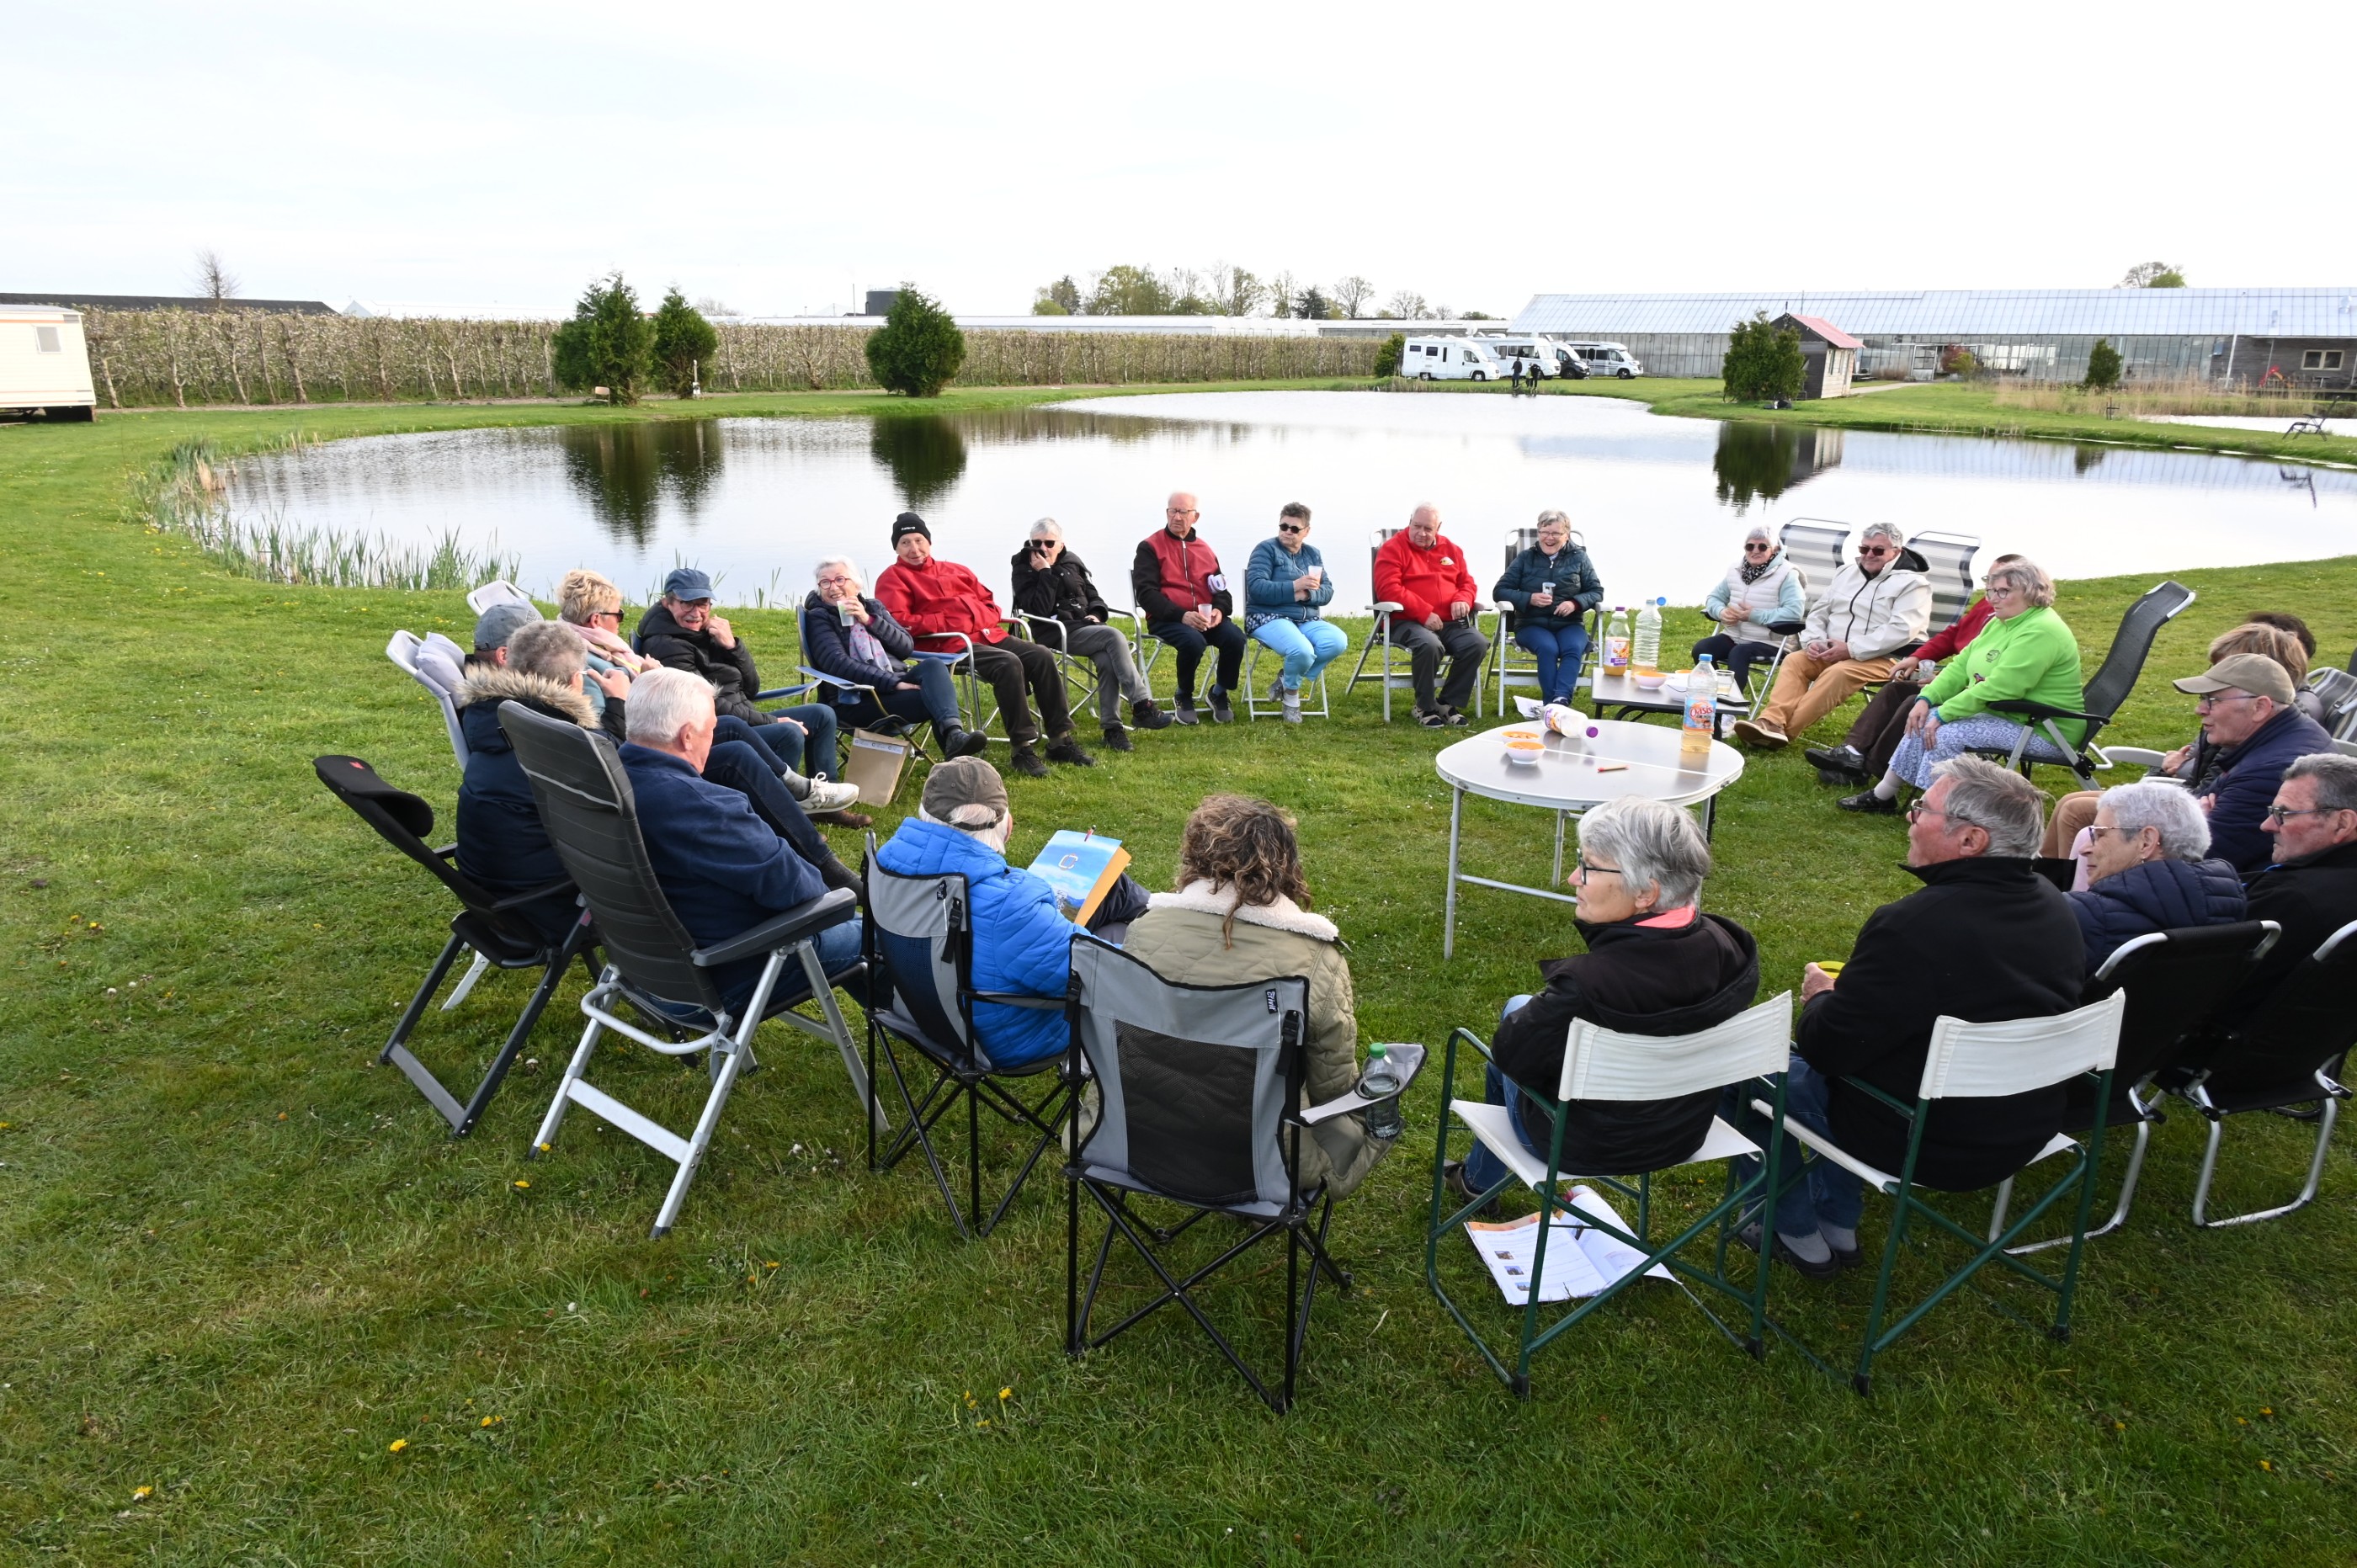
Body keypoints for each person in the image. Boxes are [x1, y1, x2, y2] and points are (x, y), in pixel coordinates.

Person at [1728, 757, 2083, 1278]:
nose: (1910, 817)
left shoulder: (1915, 926)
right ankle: (1837, 1222)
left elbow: (1827, 1047)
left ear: (1972, 841)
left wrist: (1824, 996)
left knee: (1739, 1070)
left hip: (1925, 1140)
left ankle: (1793, 1230)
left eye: (1923, 809)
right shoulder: (2054, 906)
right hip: (2023, 1124)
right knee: (1859, 1063)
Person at [1440, 795, 1760, 1213]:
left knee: (1513, 1022)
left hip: (1586, 1143)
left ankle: (1479, 1182)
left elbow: (1512, 1058)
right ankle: (1478, 1179)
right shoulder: (1731, 946)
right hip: (1684, 1128)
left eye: (1589, 866)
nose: (1574, 877)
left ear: (1646, 892)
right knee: (1524, 1012)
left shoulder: (1587, 987)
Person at [457, 633, 859, 949]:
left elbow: (609, 765)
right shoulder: (558, 737)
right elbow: (614, 769)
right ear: (577, 680)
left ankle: (819, 850)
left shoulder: (502, 723)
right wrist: (618, 704)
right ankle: (823, 863)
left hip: (507, 888)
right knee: (713, 778)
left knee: (733, 751)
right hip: (563, 895)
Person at [1120, 795, 1393, 1198]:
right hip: (1266, 1159)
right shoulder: (1315, 957)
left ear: (1195, 857)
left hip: (1137, 1134)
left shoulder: (1144, 931)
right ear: (1284, 866)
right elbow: (1332, 1087)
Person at [616, 669, 866, 1019]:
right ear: (688, 736)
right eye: (711, 729)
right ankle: (926, 1029)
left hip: (643, 974)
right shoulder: (705, 808)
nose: (713, 738)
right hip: (722, 975)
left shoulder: (603, 785)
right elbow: (805, 892)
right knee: (875, 933)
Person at [873, 757, 1138, 1067]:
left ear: (924, 815)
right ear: (1007, 825)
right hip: (1009, 1039)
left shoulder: (886, 864)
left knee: (1113, 907)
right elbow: (1106, 977)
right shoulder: (1011, 905)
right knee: (1121, 931)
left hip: (921, 1015)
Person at [2040, 625, 2318, 864]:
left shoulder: (2267, 772)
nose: (2200, 710)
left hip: (2208, 901)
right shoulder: (2263, 737)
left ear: (2260, 706)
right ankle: (2051, 887)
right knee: (2076, 807)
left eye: (2212, 699)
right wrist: (2196, 812)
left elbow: (2196, 856)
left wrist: (2194, 818)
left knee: (2088, 822)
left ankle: (2066, 901)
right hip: (2190, 822)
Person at [1839, 558, 2083, 814]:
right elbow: (1960, 666)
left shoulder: (2040, 631)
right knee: (1924, 716)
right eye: (1991, 590)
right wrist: (1927, 698)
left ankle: (1933, 809)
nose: (1993, 599)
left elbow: (2002, 688)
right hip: (2009, 715)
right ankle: (1884, 795)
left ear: (2032, 593)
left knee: (1944, 733)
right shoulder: (2000, 622)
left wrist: (1945, 713)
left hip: (2043, 728)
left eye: (2004, 592)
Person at [634, 567, 867, 826]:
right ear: (668, 602)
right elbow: (706, 704)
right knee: (787, 733)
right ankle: (781, 819)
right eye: (686, 603)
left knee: (821, 714)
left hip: (742, 716)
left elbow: (751, 689)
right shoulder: (666, 644)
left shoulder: (706, 632)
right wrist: (771, 722)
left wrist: (733, 646)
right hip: (714, 729)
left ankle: (824, 803)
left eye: (702, 604)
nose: (695, 612)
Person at [873, 512, 1093, 779]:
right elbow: (897, 623)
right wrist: (945, 621)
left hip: (989, 635)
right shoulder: (893, 578)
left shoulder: (956, 569)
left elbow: (990, 603)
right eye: (905, 542)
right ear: (896, 547)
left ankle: (1060, 740)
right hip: (949, 646)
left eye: (919, 540)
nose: (914, 549)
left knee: (1041, 655)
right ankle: (1022, 748)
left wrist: (978, 618)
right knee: (1008, 663)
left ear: (929, 542)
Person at [1807, 553, 2025, 786]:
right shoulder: (1989, 606)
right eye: (1989, 581)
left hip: (1978, 691)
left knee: (1913, 700)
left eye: (1999, 585)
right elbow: (1954, 635)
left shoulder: (2019, 622)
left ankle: (1869, 769)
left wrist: (1942, 679)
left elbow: (1998, 675)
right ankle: (1852, 751)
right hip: (1960, 679)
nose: (1991, 590)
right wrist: (1918, 656)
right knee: (1895, 691)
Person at [1730, 522, 1930, 749]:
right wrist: (1814, 641)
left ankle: (1781, 732)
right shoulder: (1846, 573)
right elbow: (1819, 612)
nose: (1869, 555)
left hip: (1888, 658)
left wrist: (1851, 648)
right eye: (1864, 549)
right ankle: (1770, 721)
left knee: (1839, 672)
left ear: (1896, 552)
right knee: (1796, 660)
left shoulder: (1914, 584)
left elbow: (1901, 629)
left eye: (1878, 550)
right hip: (1831, 649)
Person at [2214, 753, 2357, 1028]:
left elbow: (2192, 986)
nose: (2266, 826)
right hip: (2300, 1053)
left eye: (2283, 814)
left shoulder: (2290, 901)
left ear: (2342, 823)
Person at [1008, 518, 1171, 752]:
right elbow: (1038, 610)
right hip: (1055, 632)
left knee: (1106, 660)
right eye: (1037, 542)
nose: (1042, 548)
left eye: (1049, 543)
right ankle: (1142, 706)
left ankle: (1112, 729)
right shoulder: (1024, 567)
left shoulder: (1073, 563)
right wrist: (1045, 573)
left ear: (1061, 545)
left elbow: (1094, 596)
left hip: (1084, 626)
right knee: (1114, 637)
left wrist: (1097, 613)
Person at [802, 556, 989, 760]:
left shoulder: (873, 608)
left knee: (934, 665)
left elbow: (905, 647)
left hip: (893, 684)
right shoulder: (819, 618)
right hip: (855, 699)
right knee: (935, 699)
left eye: (840, 580)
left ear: (855, 584)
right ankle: (956, 757)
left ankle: (954, 735)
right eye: (825, 582)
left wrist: (868, 619)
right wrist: (894, 684)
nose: (833, 588)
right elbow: (838, 664)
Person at [2067, 780, 2246, 974]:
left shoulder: (2084, 916)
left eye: (2100, 835)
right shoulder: (2231, 908)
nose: (2085, 849)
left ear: (2146, 842)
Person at [1131, 491, 1247, 724]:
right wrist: (1182, 615)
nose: (1176, 517)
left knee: (1235, 638)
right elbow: (1146, 595)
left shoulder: (1205, 549)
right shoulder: (1149, 547)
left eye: (1183, 512)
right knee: (1193, 641)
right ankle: (1183, 695)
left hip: (1205, 618)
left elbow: (1221, 590)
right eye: (1172, 511)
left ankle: (1219, 692)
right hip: (1167, 618)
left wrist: (1219, 611)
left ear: (1196, 516)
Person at [1375, 502, 1491, 728]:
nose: (1421, 533)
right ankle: (1424, 707)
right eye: (1416, 526)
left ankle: (1446, 703)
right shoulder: (1392, 548)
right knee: (1429, 645)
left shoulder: (1451, 549)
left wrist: (1463, 599)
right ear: (1409, 522)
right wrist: (1424, 613)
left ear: (1438, 527)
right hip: (1406, 621)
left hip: (1450, 622)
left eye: (1428, 528)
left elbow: (1467, 583)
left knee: (1477, 643)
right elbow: (1388, 588)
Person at [1242, 502, 1350, 722]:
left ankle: (1286, 680)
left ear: (1306, 531)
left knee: (1337, 641)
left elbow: (1327, 591)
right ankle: (1291, 698)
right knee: (1302, 651)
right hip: (1267, 616)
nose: (1287, 532)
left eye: (1294, 529)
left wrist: (1307, 596)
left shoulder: (1312, 554)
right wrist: (1294, 587)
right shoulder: (1265, 549)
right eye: (1283, 526)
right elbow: (1256, 588)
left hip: (1305, 618)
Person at [1493, 509, 1604, 705]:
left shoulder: (1579, 558)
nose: (1549, 538)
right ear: (1539, 532)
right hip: (1531, 624)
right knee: (1548, 648)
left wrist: (1575, 603)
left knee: (1573, 647)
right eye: (1544, 532)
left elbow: (1596, 591)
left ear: (1566, 535)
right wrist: (1529, 598)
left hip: (1569, 623)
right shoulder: (1526, 557)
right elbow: (1500, 590)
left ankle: (1560, 700)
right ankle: (1551, 703)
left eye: (1555, 533)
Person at [1691, 524, 1803, 695]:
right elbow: (1713, 598)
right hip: (1734, 636)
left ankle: (1730, 707)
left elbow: (1794, 612)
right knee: (1702, 649)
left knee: (1739, 653)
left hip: (1771, 642)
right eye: (1750, 546)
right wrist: (1721, 612)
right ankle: (1711, 696)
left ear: (1775, 550)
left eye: (1762, 547)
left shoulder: (1787, 574)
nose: (1755, 551)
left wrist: (1753, 615)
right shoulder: (1735, 570)